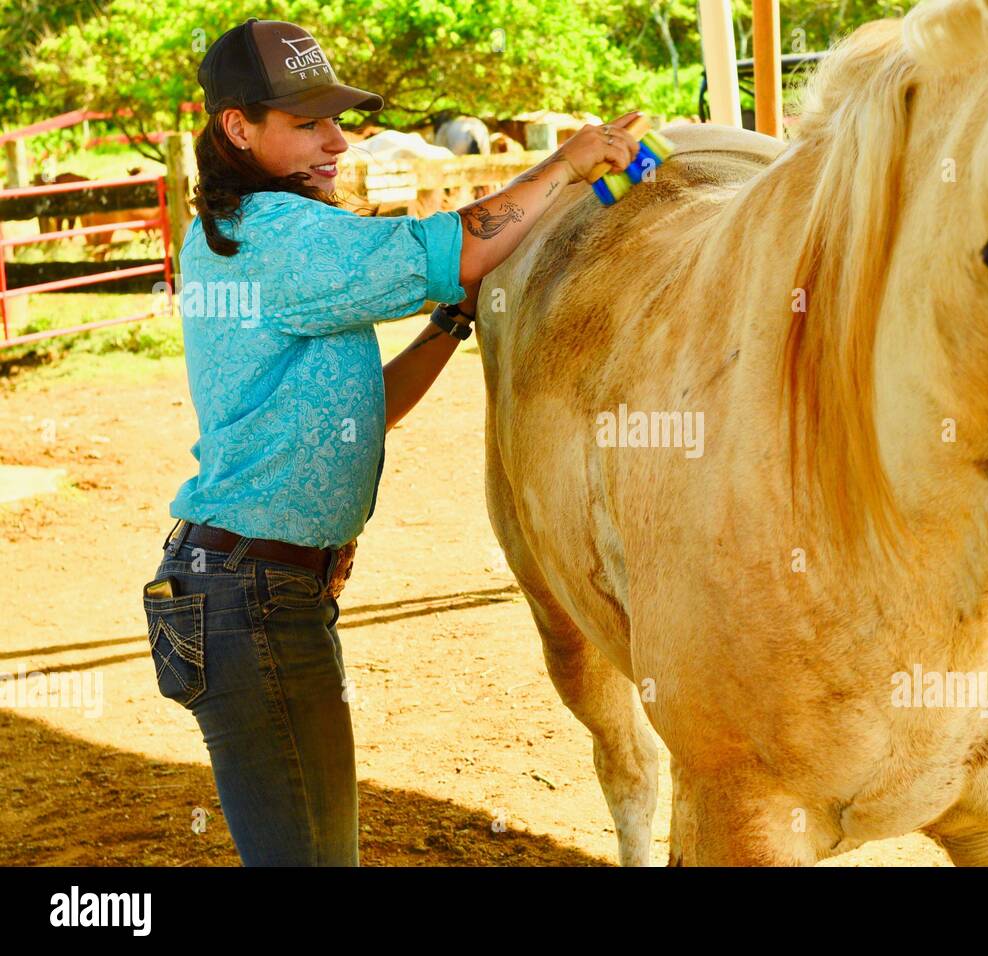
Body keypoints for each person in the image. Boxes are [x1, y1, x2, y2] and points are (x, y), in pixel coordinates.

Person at [141, 17, 639, 866]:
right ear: (238, 127)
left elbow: (367, 406)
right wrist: (568, 164)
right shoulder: (277, 234)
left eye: (336, 119)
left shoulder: (246, 233)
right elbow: (451, 245)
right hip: (254, 598)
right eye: (308, 123)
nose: (336, 141)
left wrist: (451, 324)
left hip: (250, 588)